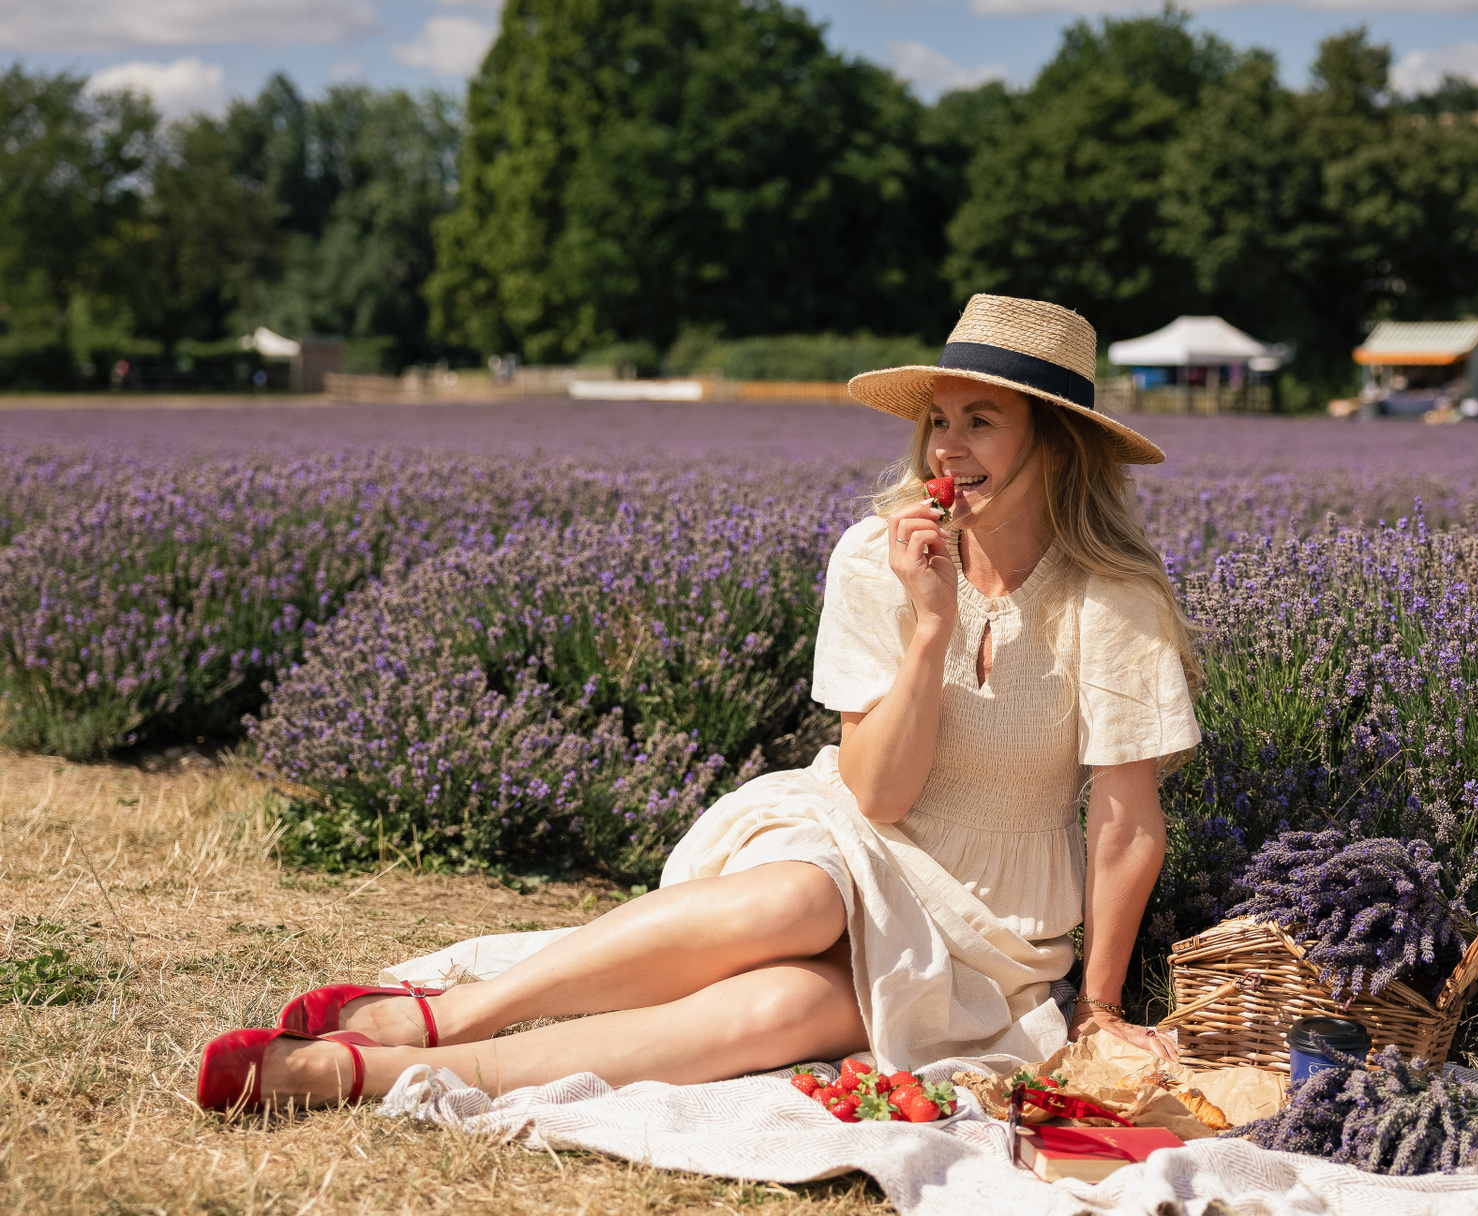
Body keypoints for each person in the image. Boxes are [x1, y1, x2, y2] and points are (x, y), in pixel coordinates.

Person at [196, 295, 1201, 1111]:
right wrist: (930, 626)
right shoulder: (879, 557)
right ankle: (450, 1016)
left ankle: (365, 1074)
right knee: (795, 898)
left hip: (993, 927)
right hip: (861, 838)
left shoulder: (1114, 603)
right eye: (939, 420)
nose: (946, 448)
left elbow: (1123, 826)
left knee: (775, 1015)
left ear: (1057, 445)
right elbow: (878, 796)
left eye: (980, 421)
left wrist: (1099, 1009)